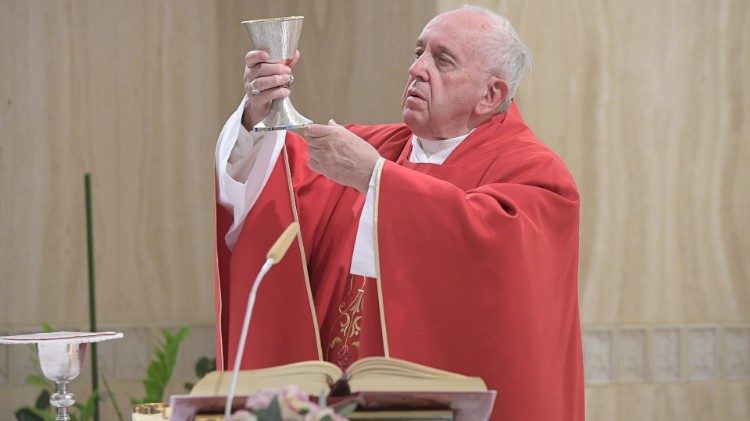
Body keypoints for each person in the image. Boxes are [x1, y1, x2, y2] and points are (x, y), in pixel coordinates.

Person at [214, 5, 583, 420]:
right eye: (418, 52)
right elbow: (273, 186)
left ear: (491, 95)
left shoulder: (534, 172)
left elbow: (497, 248)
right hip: (338, 396)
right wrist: (258, 115)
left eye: (442, 60)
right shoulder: (372, 149)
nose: (418, 69)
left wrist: (376, 179)